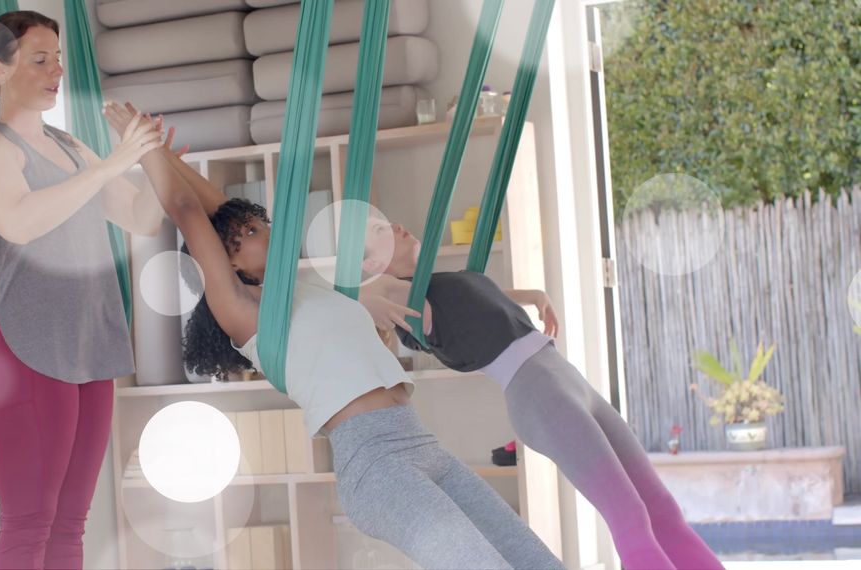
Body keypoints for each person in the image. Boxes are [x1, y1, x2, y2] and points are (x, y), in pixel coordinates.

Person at [103, 101, 566, 570]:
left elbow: (221, 206)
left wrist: (164, 148)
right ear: (231, 263)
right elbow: (188, 210)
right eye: (250, 232)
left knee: (534, 560)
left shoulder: (303, 288)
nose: (267, 230)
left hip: (421, 444)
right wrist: (143, 146)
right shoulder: (241, 314)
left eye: (261, 223)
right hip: (374, 467)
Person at [358, 216, 725, 570]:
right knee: (629, 516)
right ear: (373, 262)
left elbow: (481, 298)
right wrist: (368, 288)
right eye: (379, 230)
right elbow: (368, 293)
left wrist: (534, 294)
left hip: (566, 381)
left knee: (660, 507)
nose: (395, 226)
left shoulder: (440, 285)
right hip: (540, 397)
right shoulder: (409, 307)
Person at [0, 12, 164, 569]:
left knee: (72, 525)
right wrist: (111, 165)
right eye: (39, 59)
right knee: (29, 525)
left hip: (89, 342)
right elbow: (19, 221)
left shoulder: (72, 147)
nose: (56, 73)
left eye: (59, 60)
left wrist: (152, 160)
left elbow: (141, 217)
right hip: (25, 344)